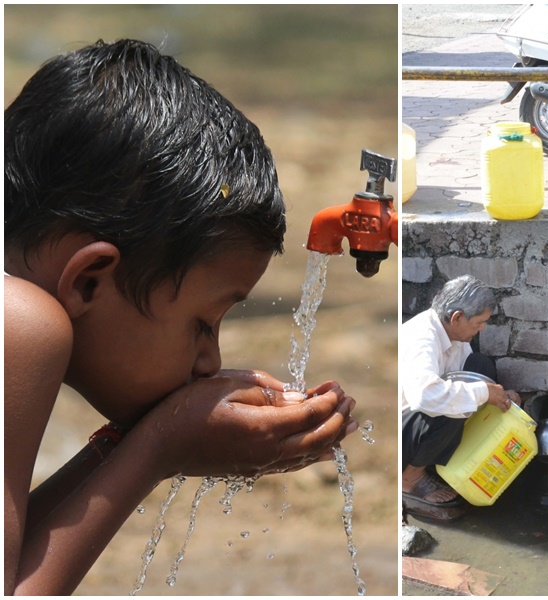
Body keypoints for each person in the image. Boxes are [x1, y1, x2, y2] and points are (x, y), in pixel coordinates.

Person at [4, 39, 358, 595]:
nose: (210, 360)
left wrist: (126, 445)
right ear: (90, 278)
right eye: (203, 322)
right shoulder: (21, 322)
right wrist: (161, 447)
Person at [401, 275, 520, 520]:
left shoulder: (453, 334)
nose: (482, 328)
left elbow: (468, 377)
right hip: (401, 426)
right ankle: (409, 478)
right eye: (478, 323)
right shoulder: (422, 339)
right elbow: (426, 396)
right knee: (455, 404)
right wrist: (484, 393)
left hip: (420, 421)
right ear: (457, 317)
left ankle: (437, 461)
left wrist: (499, 393)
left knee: (480, 366)